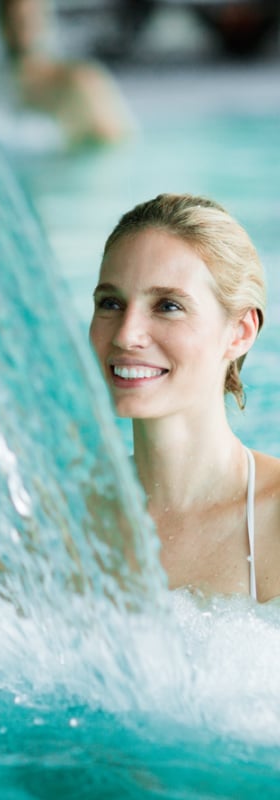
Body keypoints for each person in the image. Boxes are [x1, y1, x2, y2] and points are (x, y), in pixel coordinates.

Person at [89, 193, 280, 602]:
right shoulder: (58, 519)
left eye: (168, 306)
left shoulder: (275, 520)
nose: (125, 334)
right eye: (111, 303)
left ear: (240, 332)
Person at [0, 0, 134, 147]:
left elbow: (114, 143)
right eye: (15, 19)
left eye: (28, 18)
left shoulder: (82, 81)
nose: (22, 28)